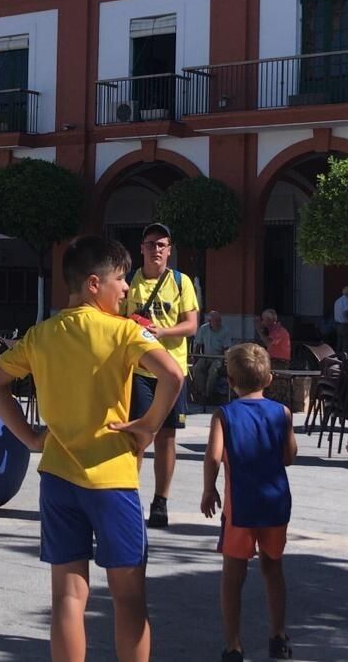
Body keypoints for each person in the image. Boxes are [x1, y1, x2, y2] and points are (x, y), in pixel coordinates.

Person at [0, 235, 182, 662]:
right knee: (129, 600)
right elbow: (173, 375)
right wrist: (147, 426)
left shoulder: (42, 334)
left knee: (68, 598)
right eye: (121, 279)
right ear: (94, 283)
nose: (126, 289)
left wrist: (32, 437)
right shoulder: (124, 331)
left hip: (56, 480)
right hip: (112, 480)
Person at [201, 343, 296, 661]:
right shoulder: (282, 413)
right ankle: (279, 635)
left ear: (229, 381)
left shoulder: (224, 415)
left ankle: (233, 645)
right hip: (275, 503)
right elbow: (289, 455)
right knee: (274, 568)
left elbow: (213, 456)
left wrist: (208, 489)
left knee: (233, 576)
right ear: (269, 378)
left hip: (240, 506)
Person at [124, 223, 199, 529]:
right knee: (140, 435)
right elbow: (115, 318)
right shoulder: (129, 283)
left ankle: (160, 501)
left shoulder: (181, 283)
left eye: (162, 244)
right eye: (150, 243)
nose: (156, 249)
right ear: (141, 248)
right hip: (140, 369)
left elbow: (192, 325)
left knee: (167, 437)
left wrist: (162, 331)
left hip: (172, 371)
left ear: (170, 250)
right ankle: (130, 498)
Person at [192, 309, 237, 402]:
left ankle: (208, 395)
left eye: (219, 320)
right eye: (216, 320)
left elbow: (226, 349)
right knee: (197, 368)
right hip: (205, 356)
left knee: (213, 371)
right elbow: (198, 345)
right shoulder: (203, 329)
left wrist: (226, 363)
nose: (218, 322)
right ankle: (202, 392)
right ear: (209, 321)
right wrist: (195, 358)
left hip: (218, 357)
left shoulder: (225, 331)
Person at [332, 285, 348, 356]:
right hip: (345, 325)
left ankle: (338, 360)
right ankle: (344, 362)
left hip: (338, 325)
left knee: (339, 345)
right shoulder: (346, 300)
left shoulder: (337, 301)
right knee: (346, 346)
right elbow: (346, 312)